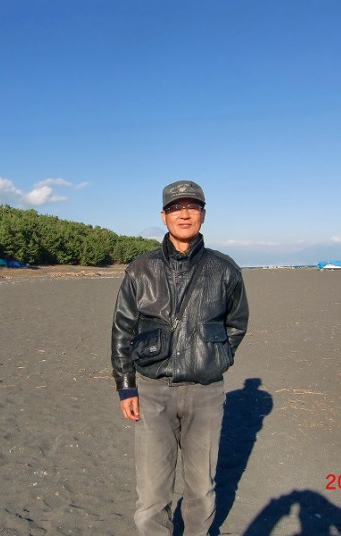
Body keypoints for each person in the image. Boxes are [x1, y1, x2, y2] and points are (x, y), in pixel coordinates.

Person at [111, 180, 249, 536]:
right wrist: (126, 387)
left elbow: (236, 324)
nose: (184, 214)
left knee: (201, 489)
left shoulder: (225, 269)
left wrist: (216, 357)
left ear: (203, 214)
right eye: (175, 208)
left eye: (192, 207)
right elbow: (122, 330)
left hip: (206, 392)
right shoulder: (140, 269)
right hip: (152, 391)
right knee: (151, 496)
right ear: (163, 216)